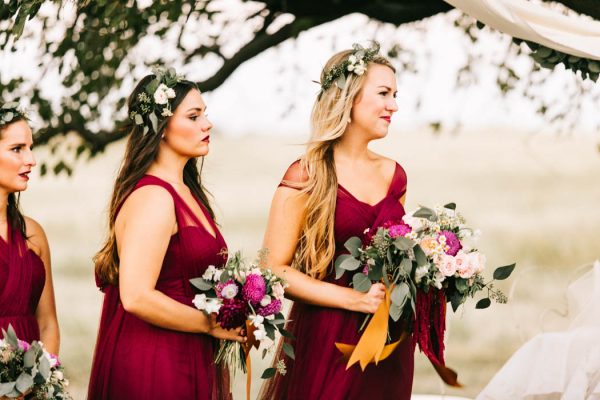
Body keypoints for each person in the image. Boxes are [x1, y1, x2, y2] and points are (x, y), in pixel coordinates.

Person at [258, 43, 413, 400]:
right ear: (350, 99)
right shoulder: (307, 175)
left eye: (395, 95)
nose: (394, 105)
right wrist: (353, 300)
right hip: (327, 336)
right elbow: (272, 268)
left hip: (387, 337)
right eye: (384, 93)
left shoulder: (395, 176)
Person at [87, 68, 245, 400]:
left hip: (188, 351)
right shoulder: (154, 198)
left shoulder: (186, 192)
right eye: (194, 116)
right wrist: (208, 323)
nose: (207, 124)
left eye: (205, 114)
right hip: (157, 360)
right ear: (161, 128)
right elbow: (136, 296)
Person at [0, 103, 60, 354]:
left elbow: (48, 324)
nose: (32, 160)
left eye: (31, 148)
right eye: (17, 149)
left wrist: (44, 380)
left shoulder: (33, 234)